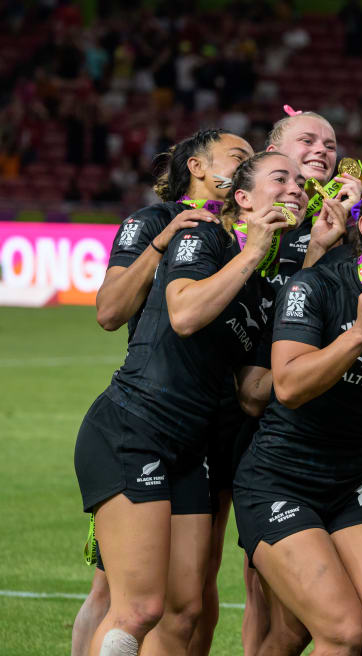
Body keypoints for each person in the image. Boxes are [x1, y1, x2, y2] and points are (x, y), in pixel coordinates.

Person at [73, 150, 305, 656]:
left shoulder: (269, 289)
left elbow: (251, 392)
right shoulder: (202, 236)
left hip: (191, 447)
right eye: (280, 178)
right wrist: (251, 251)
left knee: (184, 612)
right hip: (136, 425)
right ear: (241, 199)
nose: (296, 187)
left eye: (301, 183)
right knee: (137, 610)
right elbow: (183, 314)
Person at [232, 179, 362, 656]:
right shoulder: (317, 285)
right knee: (342, 631)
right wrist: (360, 334)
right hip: (278, 479)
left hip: (349, 480)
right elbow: (286, 386)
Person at [211, 109, 354, 656]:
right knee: (184, 587)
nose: (322, 149)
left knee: (279, 602)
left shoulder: (334, 230)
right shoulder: (233, 226)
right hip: (212, 417)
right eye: (307, 139)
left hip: (287, 425)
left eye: (331, 142)